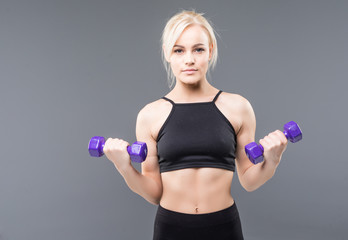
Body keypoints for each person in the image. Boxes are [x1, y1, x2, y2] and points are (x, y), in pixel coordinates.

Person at [103, 10, 288, 240]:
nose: (189, 59)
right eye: (179, 50)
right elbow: (154, 193)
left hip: (223, 226)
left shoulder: (238, 107)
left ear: (210, 51)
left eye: (198, 49)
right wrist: (124, 167)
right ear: (167, 54)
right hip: (171, 228)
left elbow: (249, 180)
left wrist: (273, 159)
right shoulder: (150, 115)